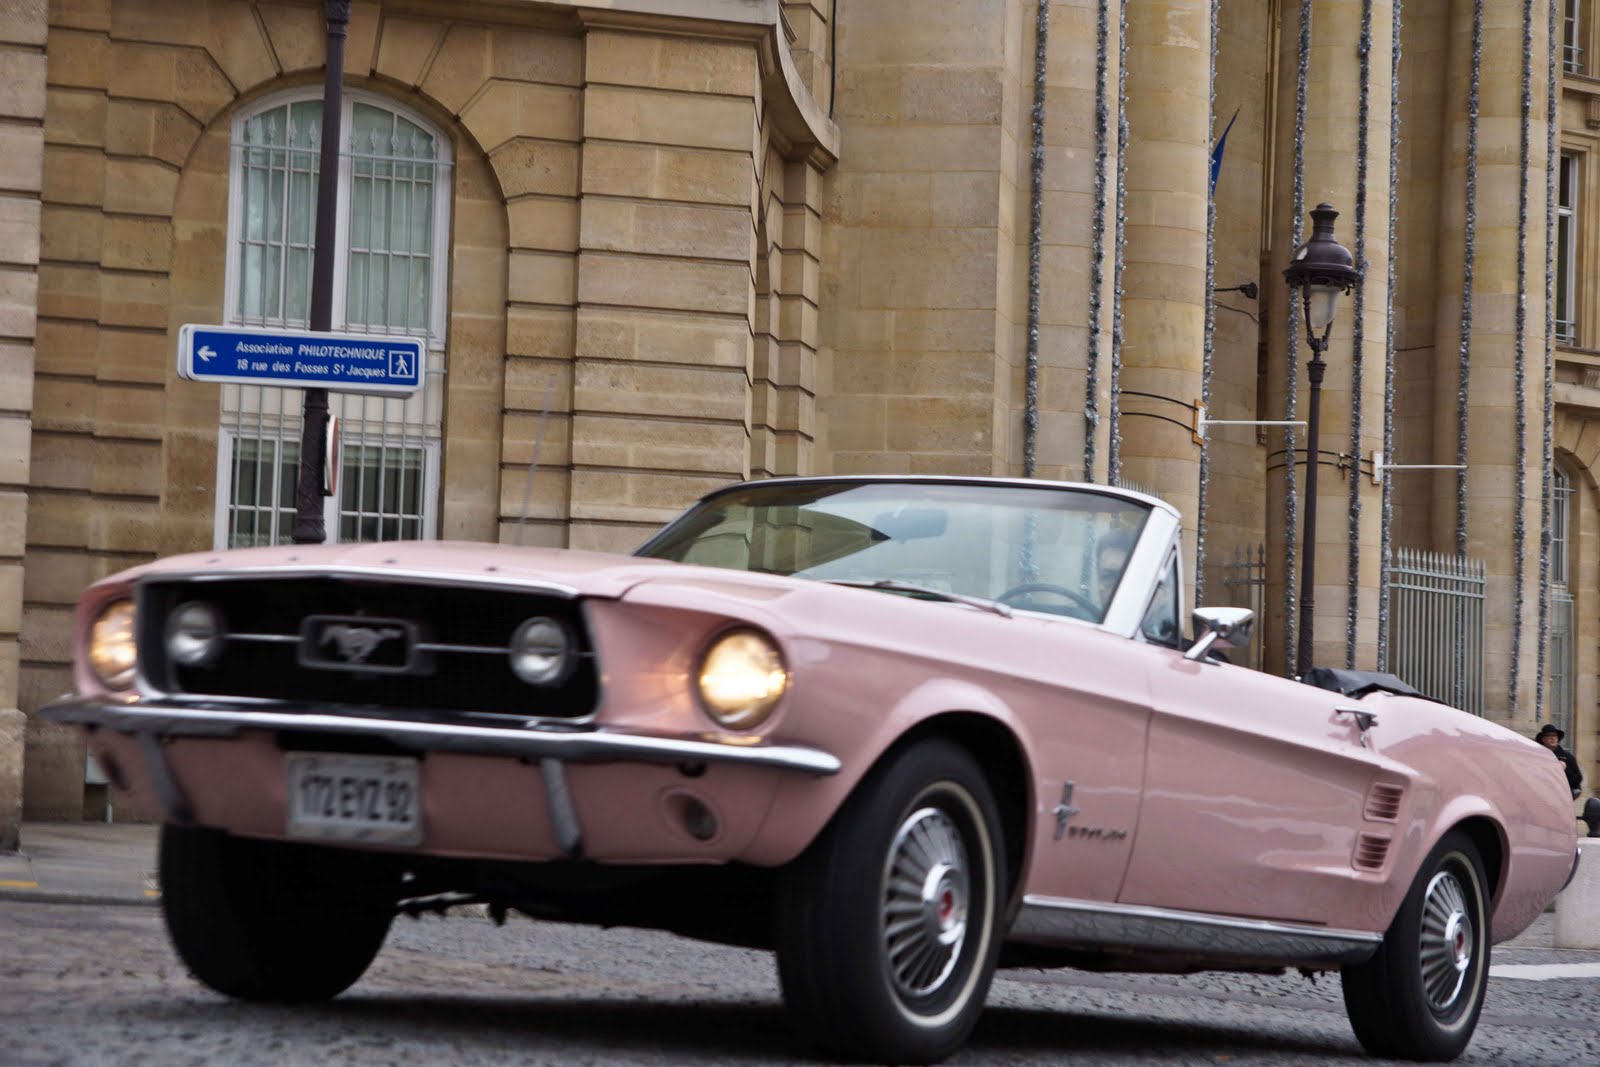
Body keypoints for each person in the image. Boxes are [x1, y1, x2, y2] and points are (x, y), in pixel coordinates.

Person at [1535, 723, 1583, 798]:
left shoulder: (1567, 757)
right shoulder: (1536, 756)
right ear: (1543, 739)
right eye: (1549, 735)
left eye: (1554, 735)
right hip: (1540, 795)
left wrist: (1564, 770)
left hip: (1562, 797)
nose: (1553, 738)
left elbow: (1577, 780)